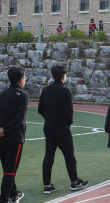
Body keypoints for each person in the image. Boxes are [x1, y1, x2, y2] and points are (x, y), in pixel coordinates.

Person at [38, 65, 89, 194]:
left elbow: (40, 109)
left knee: (49, 155)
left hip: (49, 126)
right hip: (62, 127)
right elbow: (69, 113)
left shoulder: (46, 90)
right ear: (63, 76)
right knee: (69, 155)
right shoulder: (66, 92)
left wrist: (49, 118)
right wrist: (67, 124)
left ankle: (47, 185)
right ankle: (74, 182)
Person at [0, 67, 29, 203]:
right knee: (10, 171)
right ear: (21, 79)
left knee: (7, 169)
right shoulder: (23, 96)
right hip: (15, 137)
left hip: (1, 137)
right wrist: (5, 129)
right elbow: (20, 117)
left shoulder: (1, 95)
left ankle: (14, 193)